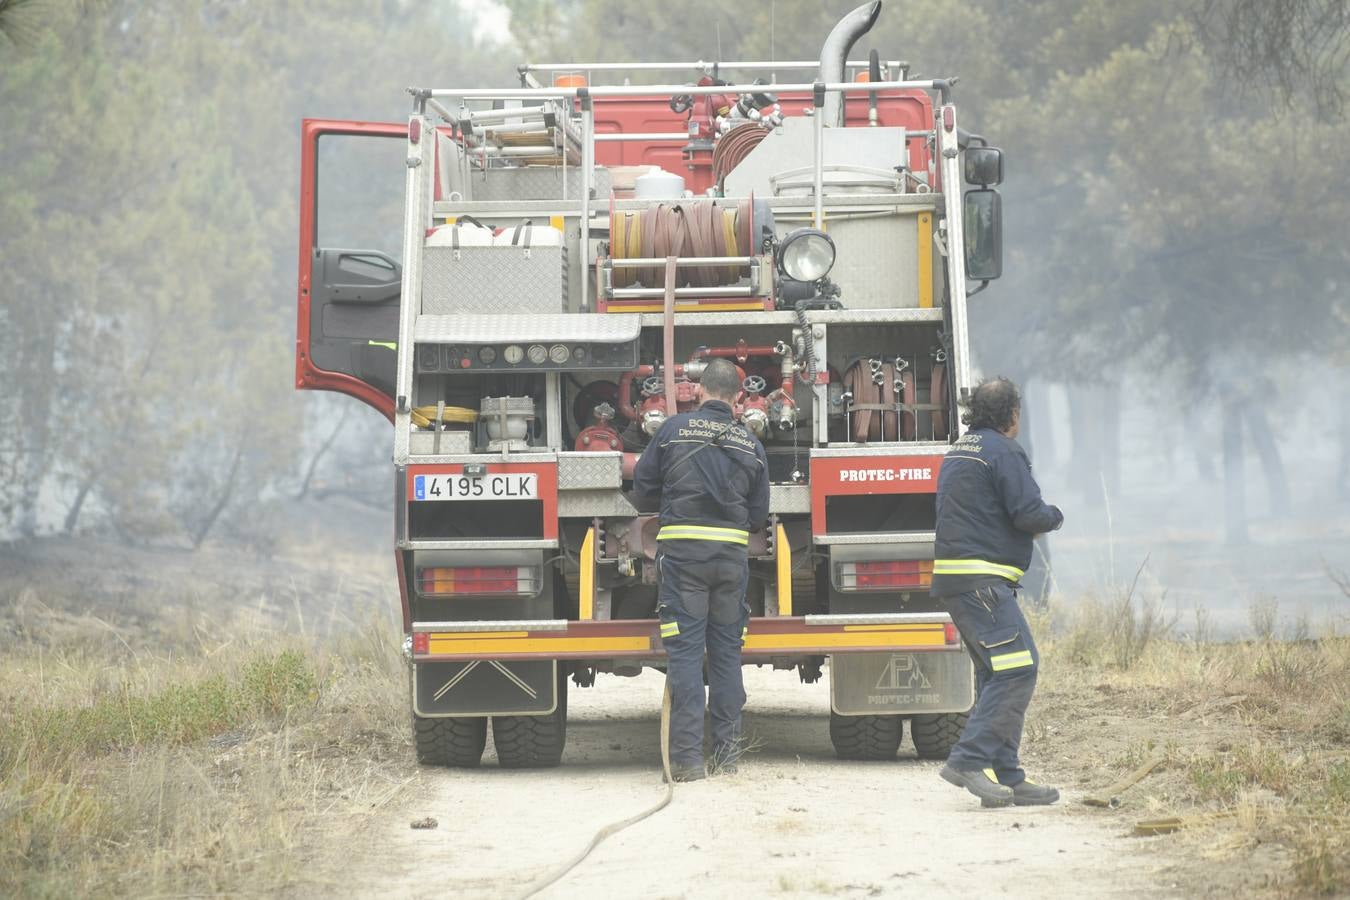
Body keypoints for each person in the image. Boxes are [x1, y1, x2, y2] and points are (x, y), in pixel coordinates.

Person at [633, 358, 770, 782]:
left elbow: (642, 490)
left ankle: (688, 763)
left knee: (687, 656)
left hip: (684, 563)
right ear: (738, 400)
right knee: (728, 655)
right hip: (730, 562)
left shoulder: (673, 430)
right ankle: (728, 757)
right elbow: (758, 515)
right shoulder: (751, 443)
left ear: (698, 391)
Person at [930, 377, 1064, 807]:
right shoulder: (1004, 452)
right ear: (1013, 414)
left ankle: (1010, 776)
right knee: (1018, 669)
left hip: (959, 583)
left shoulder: (960, 449)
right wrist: (1055, 516)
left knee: (996, 673)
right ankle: (968, 760)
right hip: (982, 584)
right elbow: (1028, 513)